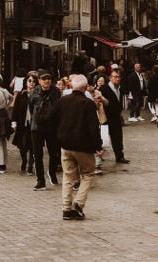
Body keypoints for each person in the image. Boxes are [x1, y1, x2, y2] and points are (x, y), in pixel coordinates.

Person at [49, 74, 103, 221]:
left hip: (66, 146)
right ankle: (78, 205)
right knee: (88, 175)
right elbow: (93, 127)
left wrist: (59, 135)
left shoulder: (62, 101)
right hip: (83, 147)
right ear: (85, 88)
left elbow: (50, 118)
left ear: (72, 86)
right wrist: (98, 145)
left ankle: (66, 208)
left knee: (68, 177)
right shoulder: (87, 103)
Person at [29, 71, 61, 190]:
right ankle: (40, 180)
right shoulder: (34, 92)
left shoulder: (56, 91)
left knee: (53, 153)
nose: (46, 81)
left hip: (52, 126)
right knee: (38, 154)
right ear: (39, 80)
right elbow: (31, 108)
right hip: (37, 127)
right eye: (44, 79)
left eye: (48, 78)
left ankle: (52, 173)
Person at [11, 73, 37, 174]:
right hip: (22, 123)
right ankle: (24, 161)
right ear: (26, 82)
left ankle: (30, 166)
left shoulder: (37, 95)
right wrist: (14, 121)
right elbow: (16, 110)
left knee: (33, 146)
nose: (32, 83)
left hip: (34, 124)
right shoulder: (21, 95)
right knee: (22, 145)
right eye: (30, 81)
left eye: (34, 81)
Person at [103, 69, 130, 164]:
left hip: (116, 118)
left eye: (119, 77)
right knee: (103, 138)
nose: (118, 79)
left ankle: (119, 156)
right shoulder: (104, 88)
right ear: (110, 78)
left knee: (118, 137)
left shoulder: (120, 88)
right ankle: (99, 158)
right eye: (115, 77)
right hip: (106, 118)